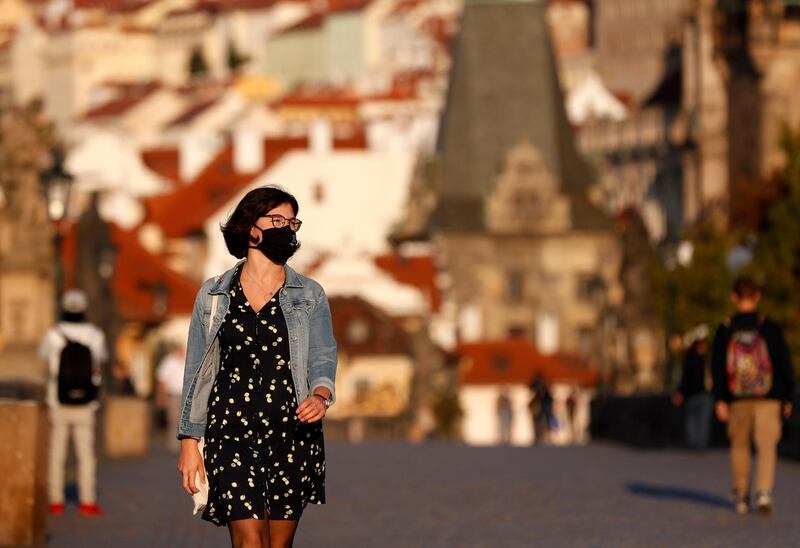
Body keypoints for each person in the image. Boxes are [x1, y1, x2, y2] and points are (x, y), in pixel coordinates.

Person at [177, 186, 337, 548]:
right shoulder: (215, 295)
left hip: (293, 433)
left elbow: (323, 355)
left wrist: (321, 395)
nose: (287, 229)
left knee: (277, 545)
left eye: (292, 222)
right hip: (231, 431)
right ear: (251, 228)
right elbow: (196, 371)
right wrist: (189, 441)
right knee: (250, 541)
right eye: (276, 220)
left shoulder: (309, 294)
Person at [711, 276, 794, 515]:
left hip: (737, 397)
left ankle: (741, 493)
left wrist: (720, 399)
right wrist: (787, 396)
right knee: (767, 443)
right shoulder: (769, 327)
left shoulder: (726, 329)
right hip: (768, 395)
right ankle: (764, 491)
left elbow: (717, 367)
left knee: (740, 445)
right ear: (758, 296)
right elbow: (782, 363)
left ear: (734, 297)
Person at [38, 289, 107, 517]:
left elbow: (43, 358)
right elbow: (101, 360)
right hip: (86, 403)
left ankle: (56, 500)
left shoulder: (54, 334)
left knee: (57, 451)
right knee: (86, 454)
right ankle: (87, 500)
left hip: (58, 401)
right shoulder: (95, 335)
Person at [672, 325, 713, 449]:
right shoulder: (706, 359)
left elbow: (684, 378)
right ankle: (699, 442)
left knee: (693, 420)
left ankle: (694, 441)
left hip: (694, 394)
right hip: (702, 394)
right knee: (701, 420)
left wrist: (680, 392)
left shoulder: (690, 359)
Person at [156, 345, 187, 453]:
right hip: (173, 395)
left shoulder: (189, 359)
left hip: (187, 395)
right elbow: (162, 379)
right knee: (173, 419)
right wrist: (161, 396)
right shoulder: (169, 361)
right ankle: (174, 446)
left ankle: (185, 446)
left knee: (186, 421)